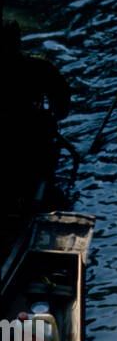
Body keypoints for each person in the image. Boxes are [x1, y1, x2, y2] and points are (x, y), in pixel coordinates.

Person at [1, 20, 71, 206]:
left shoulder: (39, 67)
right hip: (34, 143)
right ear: (18, 41)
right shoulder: (39, 67)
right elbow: (62, 107)